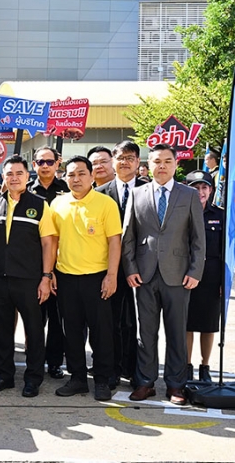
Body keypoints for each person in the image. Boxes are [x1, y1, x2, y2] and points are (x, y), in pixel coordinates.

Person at [123, 144, 206, 406]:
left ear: (175, 164)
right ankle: (145, 382)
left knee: (176, 332)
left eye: (167, 161)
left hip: (179, 276)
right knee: (145, 333)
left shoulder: (189, 195)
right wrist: (131, 268)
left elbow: (198, 239)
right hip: (144, 276)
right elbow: (129, 236)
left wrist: (195, 271)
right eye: (157, 161)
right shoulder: (137, 194)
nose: (162, 166)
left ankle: (176, 385)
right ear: (148, 163)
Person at [49, 156, 121, 401]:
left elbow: (115, 241)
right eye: (71, 174)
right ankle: (78, 378)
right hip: (66, 278)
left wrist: (112, 275)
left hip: (97, 278)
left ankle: (102, 379)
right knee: (71, 332)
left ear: (92, 176)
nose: (76, 179)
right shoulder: (57, 204)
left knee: (102, 332)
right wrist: (49, 273)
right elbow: (52, 242)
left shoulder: (105, 204)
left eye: (81, 173)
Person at [0, 155, 56, 397]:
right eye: (9, 174)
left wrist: (46, 277)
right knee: (1, 330)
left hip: (29, 279)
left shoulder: (40, 204)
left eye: (19, 173)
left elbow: (48, 244)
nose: (14, 178)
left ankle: (33, 378)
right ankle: (4, 376)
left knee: (34, 331)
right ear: (2, 177)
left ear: (28, 176)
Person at [95, 140, 146, 384]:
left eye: (130, 158)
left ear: (137, 162)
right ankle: (112, 368)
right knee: (112, 321)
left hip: (143, 267)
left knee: (138, 322)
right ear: (113, 162)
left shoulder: (149, 190)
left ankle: (136, 369)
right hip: (109, 267)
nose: (124, 162)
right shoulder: (100, 194)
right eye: (120, 158)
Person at [28, 146, 68, 380]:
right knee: (35, 318)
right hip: (34, 264)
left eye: (49, 162)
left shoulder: (66, 190)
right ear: (34, 165)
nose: (44, 166)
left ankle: (54, 362)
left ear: (57, 164)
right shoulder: (26, 190)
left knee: (57, 318)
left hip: (62, 263)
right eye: (40, 162)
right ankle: (35, 360)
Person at [184, 170, 223, 383]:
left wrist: (224, 281)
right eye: (195, 187)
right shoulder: (180, 213)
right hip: (186, 274)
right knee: (187, 324)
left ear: (211, 190)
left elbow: (226, 251)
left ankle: (205, 367)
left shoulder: (220, 215)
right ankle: (187, 367)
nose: (200, 192)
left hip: (211, 275)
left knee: (208, 324)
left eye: (204, 187)